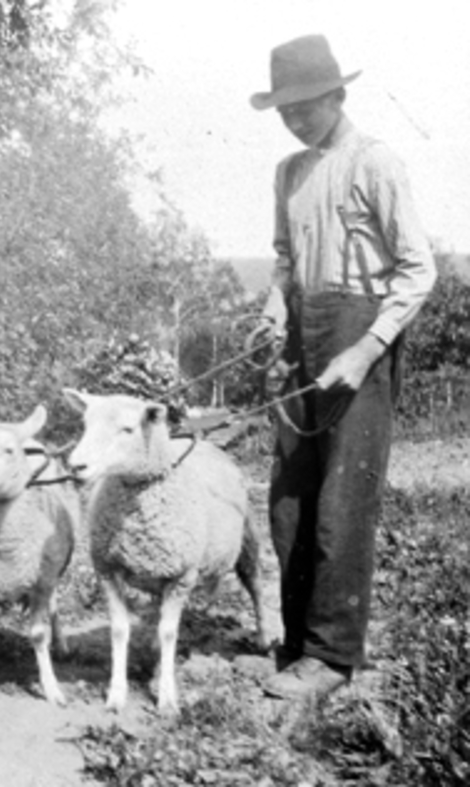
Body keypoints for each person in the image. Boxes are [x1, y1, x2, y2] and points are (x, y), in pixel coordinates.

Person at [249, 34, 436, 700]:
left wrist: (364, 350)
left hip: (363, 339)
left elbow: (419, 270)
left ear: (338, 95)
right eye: (286, 108)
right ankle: (298, 642)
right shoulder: (288, 173)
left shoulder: (376, 162)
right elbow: (283, 257)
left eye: (307, 104)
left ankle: (331, 656)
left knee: (341, 503)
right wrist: (278, 301)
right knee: (289, 501)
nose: (296, 118)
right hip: (304, 334)